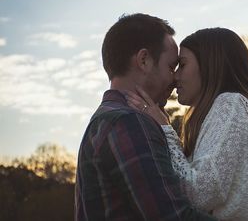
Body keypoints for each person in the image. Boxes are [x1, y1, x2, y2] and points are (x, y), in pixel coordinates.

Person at [126, 27, 248, 221]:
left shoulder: (231, 104)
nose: (175, 76)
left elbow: (200, 193)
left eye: (183, 65)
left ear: (210, 65)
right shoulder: (225, 111)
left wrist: (165, 129)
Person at [74, 13, 217, 221]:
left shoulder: (106, 119)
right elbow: (173, 216)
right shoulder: (127, 122)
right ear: (144, 60)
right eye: (171, 66)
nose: (175, 78)